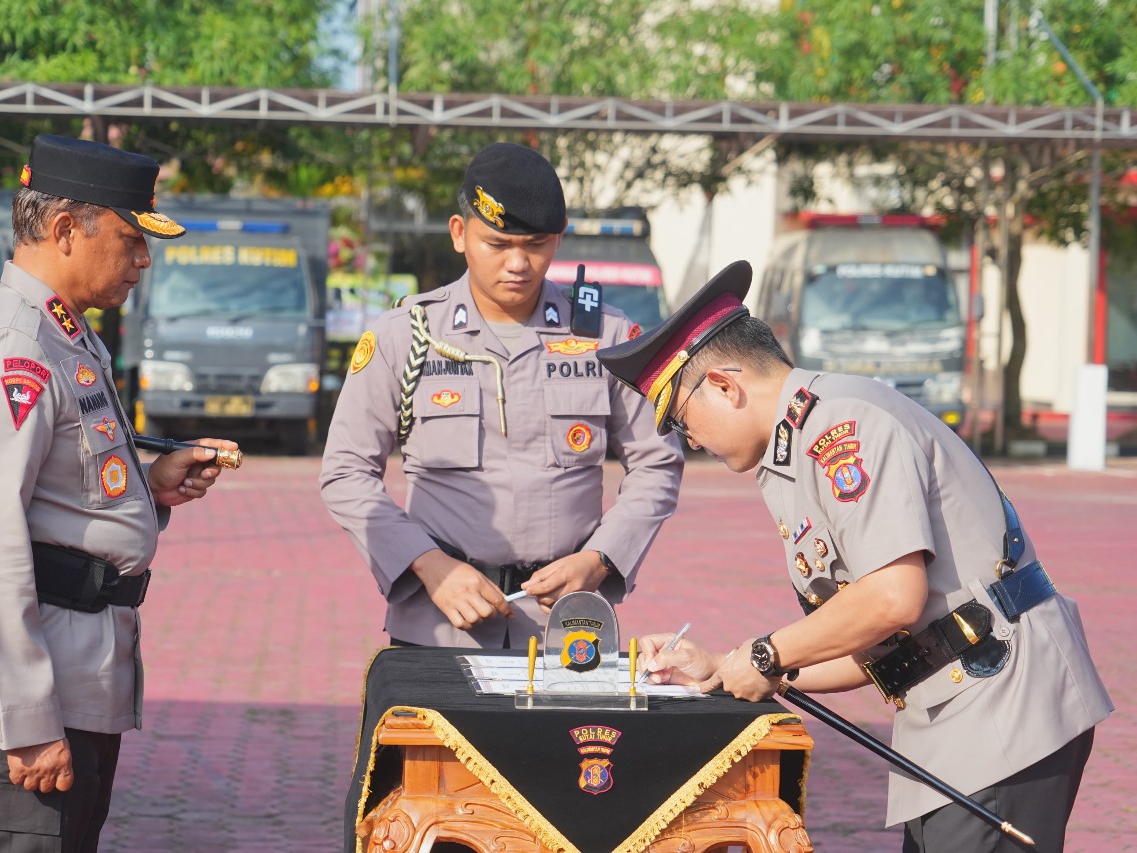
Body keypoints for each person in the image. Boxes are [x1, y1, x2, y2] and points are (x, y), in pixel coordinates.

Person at [596, 260, 1111, 852]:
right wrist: (728, 666)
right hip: (950, 713)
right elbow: (865, 645)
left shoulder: (843, 425)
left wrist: (765, 653)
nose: (691, 442)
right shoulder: (794, 449)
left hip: (1001, 706)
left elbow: (892, 600)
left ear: (723, 385)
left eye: (684, 422)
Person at [0, 133, 238, 852]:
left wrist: (151, 487)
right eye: (131, 239)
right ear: (65, 229)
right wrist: (29, 721)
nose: (143, 260)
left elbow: (64, 496)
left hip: (75, 682)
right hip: (19, 706)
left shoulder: (69, 336)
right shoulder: (18, 349)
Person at [320, 142, 683, 648]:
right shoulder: (405, 336)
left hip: (568, 630)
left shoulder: (607, 337)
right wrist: (428, 565)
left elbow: (657, 462)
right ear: (459, 234)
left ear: (558, 241)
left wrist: (600, 560)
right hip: (441, 625)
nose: (518, 263)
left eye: (535, 244)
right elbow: (345, 472)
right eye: (497, 243)